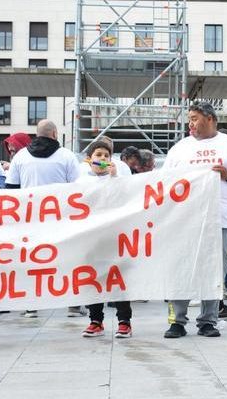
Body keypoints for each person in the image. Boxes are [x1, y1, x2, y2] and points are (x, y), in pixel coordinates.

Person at [162, 102, 227, 338]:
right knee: (181, 271)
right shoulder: (179, 149)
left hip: (219, 220)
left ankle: (208, 321)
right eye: (189, 119)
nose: (190, 123)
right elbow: (164, 183)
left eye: (194, 118)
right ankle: (177, 321)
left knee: (214, 272)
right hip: (185, 221)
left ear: (210, 118)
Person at [5, 119, 84, 318]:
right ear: (55, 134)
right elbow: (79, 188)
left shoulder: (21, 156)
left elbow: (11, 190)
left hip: (30, 219)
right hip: (61, 218)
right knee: (68, 259)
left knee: (33, 261)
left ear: (36, 134)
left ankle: (31, 305)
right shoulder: (66, 156)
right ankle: (73, 305)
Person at [75, 140, 133, 338]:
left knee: (118, 278)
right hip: (91, 238)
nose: (102, 159)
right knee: (94, 278)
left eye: (106, 156)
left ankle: (124, 321)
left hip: (114, 237)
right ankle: (95, 320)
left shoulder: (117, 179)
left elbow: (125, 198)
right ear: (89, 160)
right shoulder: (80, 182)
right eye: (98, 155)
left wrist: (115, 176)